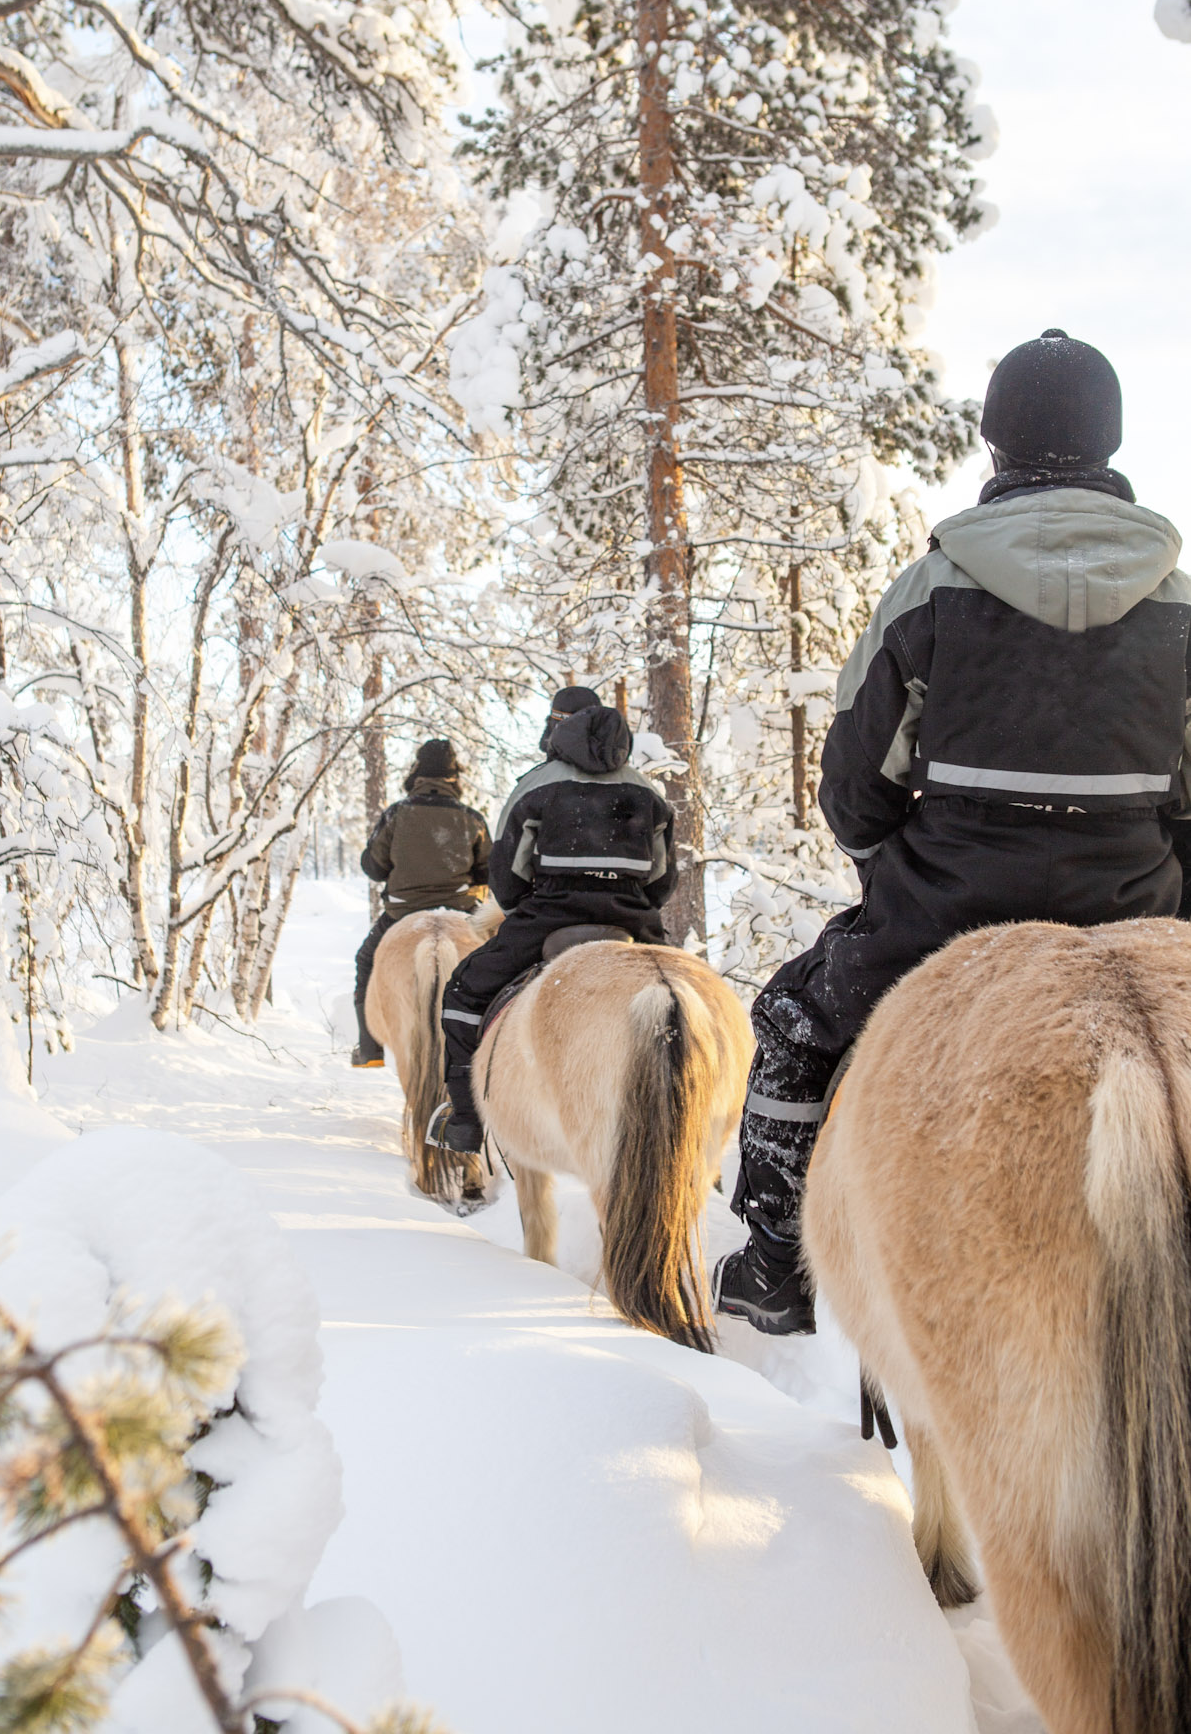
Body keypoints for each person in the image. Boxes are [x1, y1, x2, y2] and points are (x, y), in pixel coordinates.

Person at [713, 328, 1191, 1336]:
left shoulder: (931, 591)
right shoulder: (1182, 604)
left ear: (995, 443)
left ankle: (773, 1264)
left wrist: (906, 867)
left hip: (942, 911)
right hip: (1139, 908)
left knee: (795, 1028)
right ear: (1108, 441)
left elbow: (853, 791)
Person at [432, 685, 678, 1153]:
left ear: (557, 728)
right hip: (633, 919)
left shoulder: (538, 784)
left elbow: (505, 877)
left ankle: (465, 1120)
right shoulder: (646, 790)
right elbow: (662, 879)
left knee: (464, 993)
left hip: (548, 916)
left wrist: (534, 900)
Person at [352, 738, 491, 1068]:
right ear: (454, 776)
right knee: (502, 967)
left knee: (366, 962)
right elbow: (489, 870)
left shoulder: (396, 815)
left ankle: (369, 1050)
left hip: (403, 912)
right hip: (464, 914)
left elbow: (373, 867)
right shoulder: (471, 818)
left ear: (417, 773)